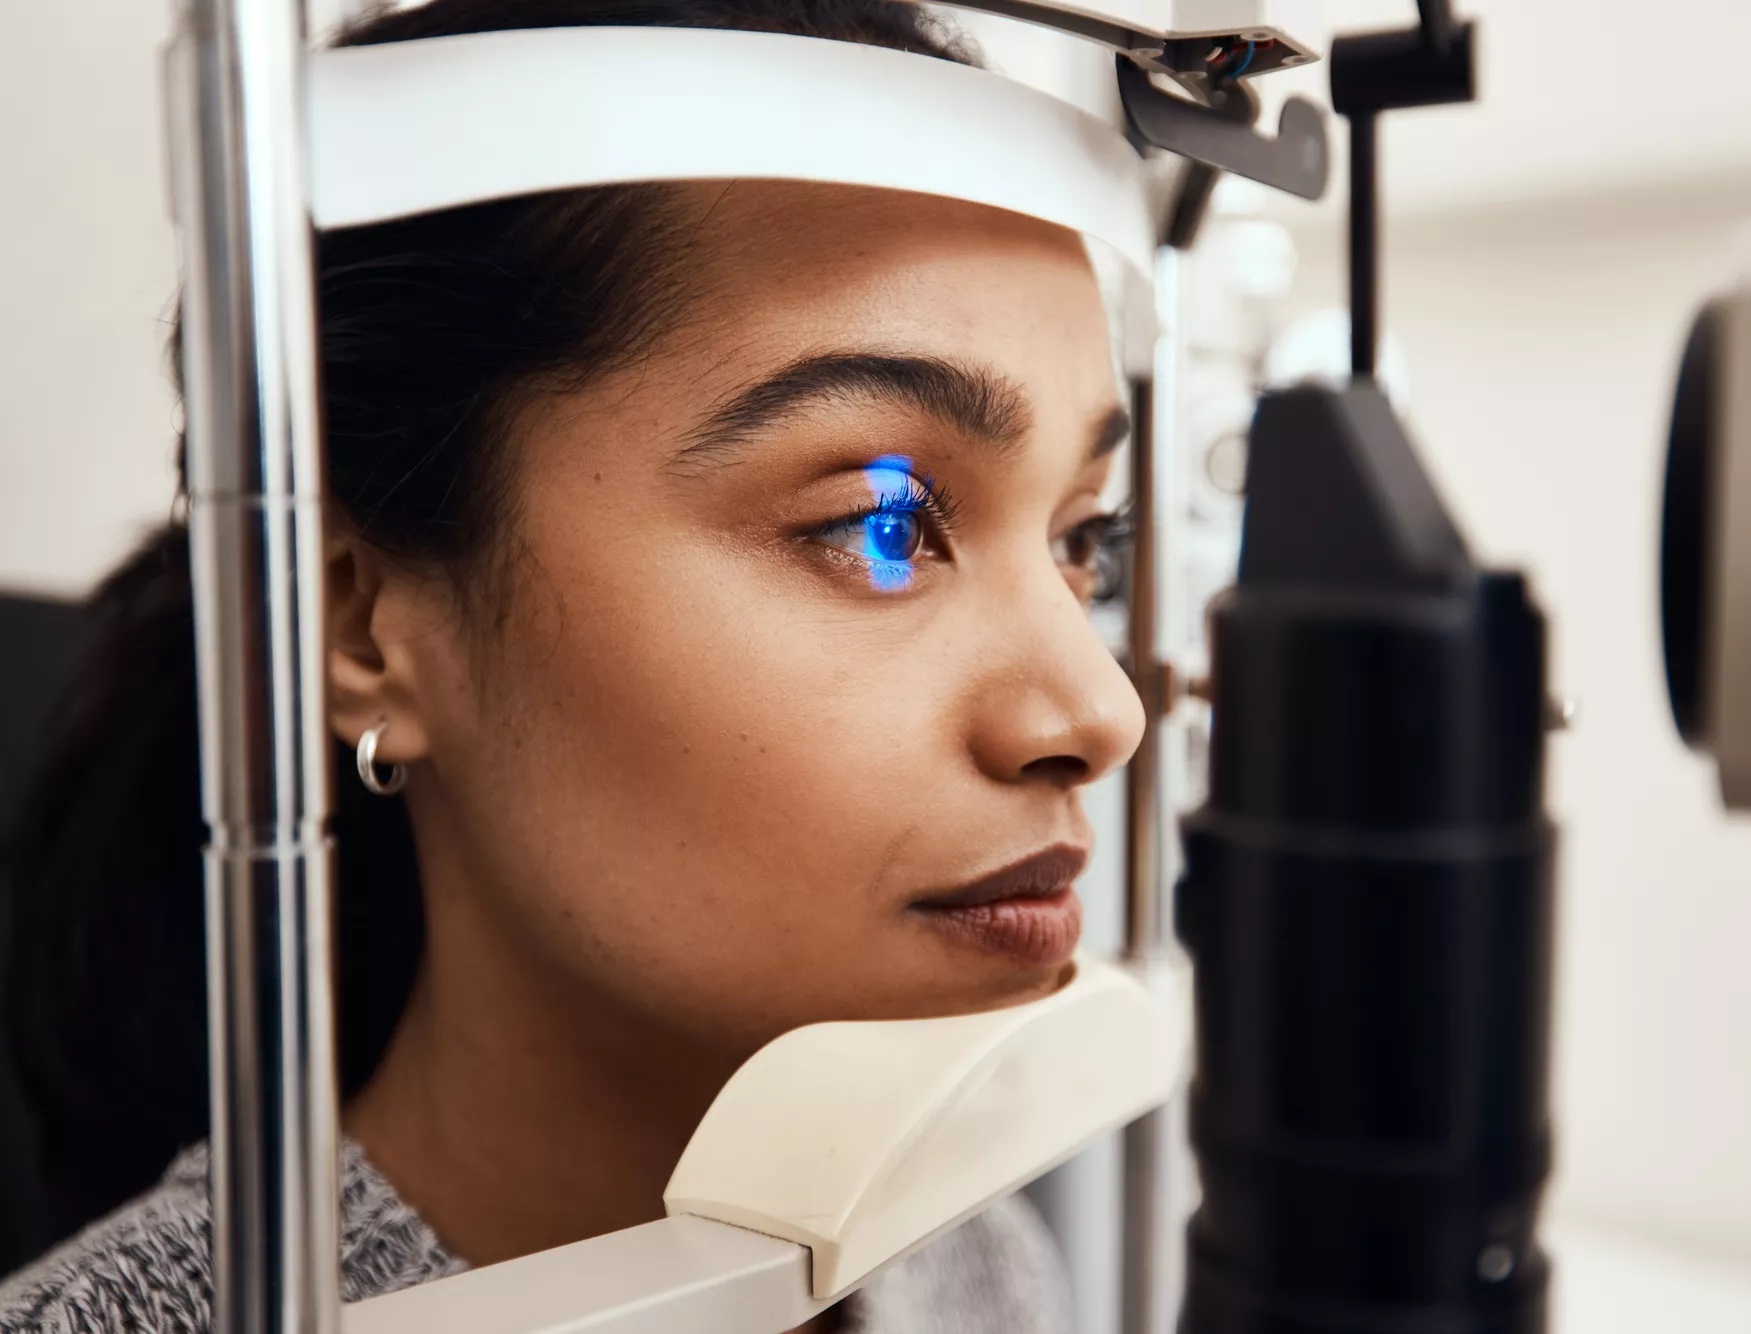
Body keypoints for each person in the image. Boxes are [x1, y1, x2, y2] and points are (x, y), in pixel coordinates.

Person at [0, 1, 1144, 1329]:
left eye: (1085, 539)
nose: (1098, 709)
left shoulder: (979, 1266)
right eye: (881, 523)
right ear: (361, 626)